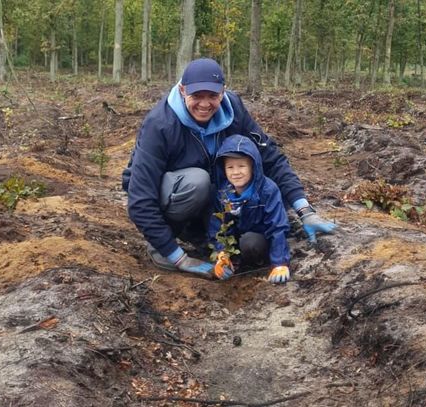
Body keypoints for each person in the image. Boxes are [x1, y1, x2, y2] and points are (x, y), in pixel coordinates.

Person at [122, 58, 336, 278]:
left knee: (253, 239)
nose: (205, 104)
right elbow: (140, 199)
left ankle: (205, 237)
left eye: (212, 96)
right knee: (198, 181)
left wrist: (304, 210)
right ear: (183, 90)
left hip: (215, 196)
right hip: (174, 192)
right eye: (197, 96)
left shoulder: (233, 110)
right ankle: (164, 243)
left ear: (223, 92)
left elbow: (270, 158)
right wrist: (178, 258)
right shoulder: (161, 124)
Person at [209, 135, 291, 284]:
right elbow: (217, 226)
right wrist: (221, 253)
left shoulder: (268, 190)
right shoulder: (222, 193)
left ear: (253, 167)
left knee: (250, 243)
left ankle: (260, 262)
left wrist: (280, 263)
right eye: (230, 167)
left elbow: (278, 227)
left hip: (260, 238)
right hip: (236, 239)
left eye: (241, 166)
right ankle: (234, 262)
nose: (236, 172)